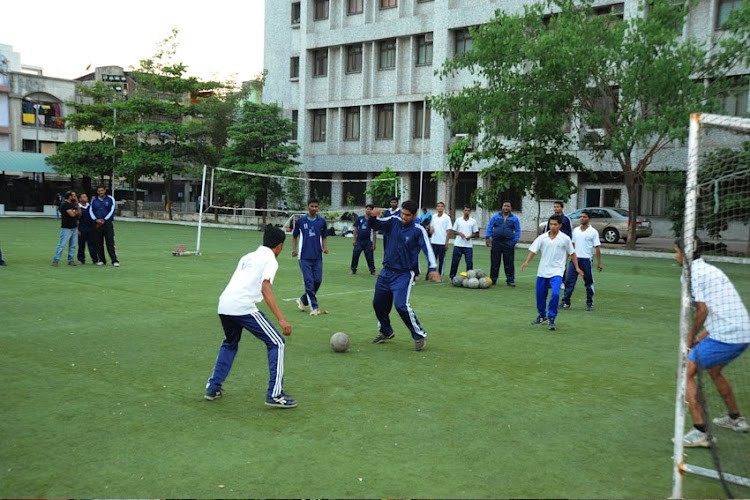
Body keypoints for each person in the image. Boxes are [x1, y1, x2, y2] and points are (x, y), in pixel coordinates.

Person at [204, 226, 296, 408]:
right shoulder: (270, 259)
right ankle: (275, 395)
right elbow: (265, 287)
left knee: (230, 343)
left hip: (224, 304)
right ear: (279, 246)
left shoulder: (247, 256)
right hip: (242, 306)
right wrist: (281, 319)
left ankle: (213, 387)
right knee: (277, 343)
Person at [674, 238, 750, 447]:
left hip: (727, 335)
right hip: (743, 331)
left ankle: (701, 432)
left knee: (684, 372)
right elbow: (719, 310)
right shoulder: (710, 269)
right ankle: (736, 419)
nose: (675, 256)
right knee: (714, 370)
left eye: (677, 251)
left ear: (685, 253)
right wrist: (699, 339)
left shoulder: (691, 274)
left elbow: (703, 310)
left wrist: (689, 339)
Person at [368, 199, 440, 351]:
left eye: (407, 215)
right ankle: (386, 331)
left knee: (401, 305)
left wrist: (433, 268)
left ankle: (419, 335)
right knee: (378, 303)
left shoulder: (418, 230)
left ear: (414, 215)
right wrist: (372, 217)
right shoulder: (393, 221)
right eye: (402, 213)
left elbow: (427, 248)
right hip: (386, 272)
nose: (403, 217)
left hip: (404, 274)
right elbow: (375, 225)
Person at [520, 215, 584, 331]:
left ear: (560, 225)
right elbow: (533, 251)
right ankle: (542, 316)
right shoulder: (542, 238)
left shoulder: (565, 238)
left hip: (557, 272)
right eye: (551, 224)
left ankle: (552, 318)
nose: (552, 226)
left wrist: (577, 268)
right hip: (542, 271)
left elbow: (572, 253)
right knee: (540, 296)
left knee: (555, 294)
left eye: (555, 224)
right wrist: (526, 262)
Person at [292, 198, 328, 316]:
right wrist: (294, 249)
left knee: (317, 280)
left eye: (316, 207)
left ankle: (302, 300)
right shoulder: (301, 221)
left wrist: (325, 247)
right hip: (304, 257)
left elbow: (324, 236)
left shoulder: (321, 222)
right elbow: (294, 235)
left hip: (317, 256)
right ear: (308, 206)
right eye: (312, 206)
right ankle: (314, 307)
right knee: (309, 282)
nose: (314, 208)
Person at [561, 210, 602, 311]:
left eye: (584, 217)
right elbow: (572, 245)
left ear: (589, 219)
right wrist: (567, 258)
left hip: (586, 260)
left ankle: (589, 303)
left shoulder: (593, 232)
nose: (582, 218)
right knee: (569, 280)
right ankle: (566, 302)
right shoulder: (576, 230)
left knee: (588, 282)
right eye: (581, 217)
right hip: (575, 259)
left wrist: (599, 262)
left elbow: (597, 247)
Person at [485, 201, 522, 287]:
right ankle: (493, 279)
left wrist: (514, 241)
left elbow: (518, 230)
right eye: (505, 206)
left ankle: (510, 280)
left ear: (510, 208)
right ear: (502, 207)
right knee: (495, 262)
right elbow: (490, 226)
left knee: (509, 263)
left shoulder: (515, 219)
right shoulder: (495, 217)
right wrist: (487, 237)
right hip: (496, 242)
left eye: (508, 206)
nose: (506, 208)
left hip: (508, 243)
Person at [89, 185, 119, 267]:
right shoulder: (94, 200)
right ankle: (102, 260)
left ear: (105, 191)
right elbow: (91, 210)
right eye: (99, 191)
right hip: (97, 224)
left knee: (110, 242)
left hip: (107, 224)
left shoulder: (110, 199)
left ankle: (114, 260)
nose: (100, 192)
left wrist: (104, 219)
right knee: (99, 242)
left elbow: (112, 210)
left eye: (102, 191)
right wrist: (95, 220)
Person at [448, 205, 479, 280]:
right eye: (465, 210)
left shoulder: (473, 221)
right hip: (458, 244)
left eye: (468, 211)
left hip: (468, 246)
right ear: (463, 211)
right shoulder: (458, 220)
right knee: (455, 262)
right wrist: (459, 233)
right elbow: (453, 231)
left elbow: (476, 233)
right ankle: (452, 277)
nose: (467, 212)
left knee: (469, 263)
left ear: (470, 212)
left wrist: (470, 236)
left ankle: (470, 278)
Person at [51, 191, 80, 267]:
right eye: (74, 196)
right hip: (66, 228)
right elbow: (72, 214)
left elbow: (79, 213)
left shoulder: (73, 204)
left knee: (73, 245)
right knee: (61, 244)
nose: (75, 197)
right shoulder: (65, 205)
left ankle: (71, 260)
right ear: (70, 197)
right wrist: (76, 211)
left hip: (74, 227)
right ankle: (55, 260)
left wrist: (76, 206)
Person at [350, 204, 377, 275]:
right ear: (365, 210)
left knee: (370, 257)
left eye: (370, 209)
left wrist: (374, 244)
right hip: (359, 241)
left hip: (368, 241)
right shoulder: (359, 218)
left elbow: (374, 232)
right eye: (367, 209)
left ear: (372, 210)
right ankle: (353, 270)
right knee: (355, 255)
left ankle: (372, 271)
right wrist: (354, 239)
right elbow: (355, 229)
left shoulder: (373, 220)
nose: (368, 210)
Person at [429, 201, 452, 278]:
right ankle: (430, 275)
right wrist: (430, 230)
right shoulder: (434, 216)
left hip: (442, 242)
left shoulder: (447, 218)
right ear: (436, 208)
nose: (440, 208)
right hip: (434, 241)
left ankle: (440, 275)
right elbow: (431, 228)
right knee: (432, 260)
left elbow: (449, 231)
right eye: (438, 206)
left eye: (441, 206)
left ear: (444, 208)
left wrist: (446, 242)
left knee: (441, 260)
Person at [76, 193, 98, 265]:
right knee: (81, 245)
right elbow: (76, 219)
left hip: (91, 228)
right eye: (84, 197)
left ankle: (95, 259)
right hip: (82, 228)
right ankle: (81, 259)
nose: (86, 198)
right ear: (80, 199)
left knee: (92, 245)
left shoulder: (90, 206)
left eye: (86, 196)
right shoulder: (78, 208)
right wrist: (77, 229)